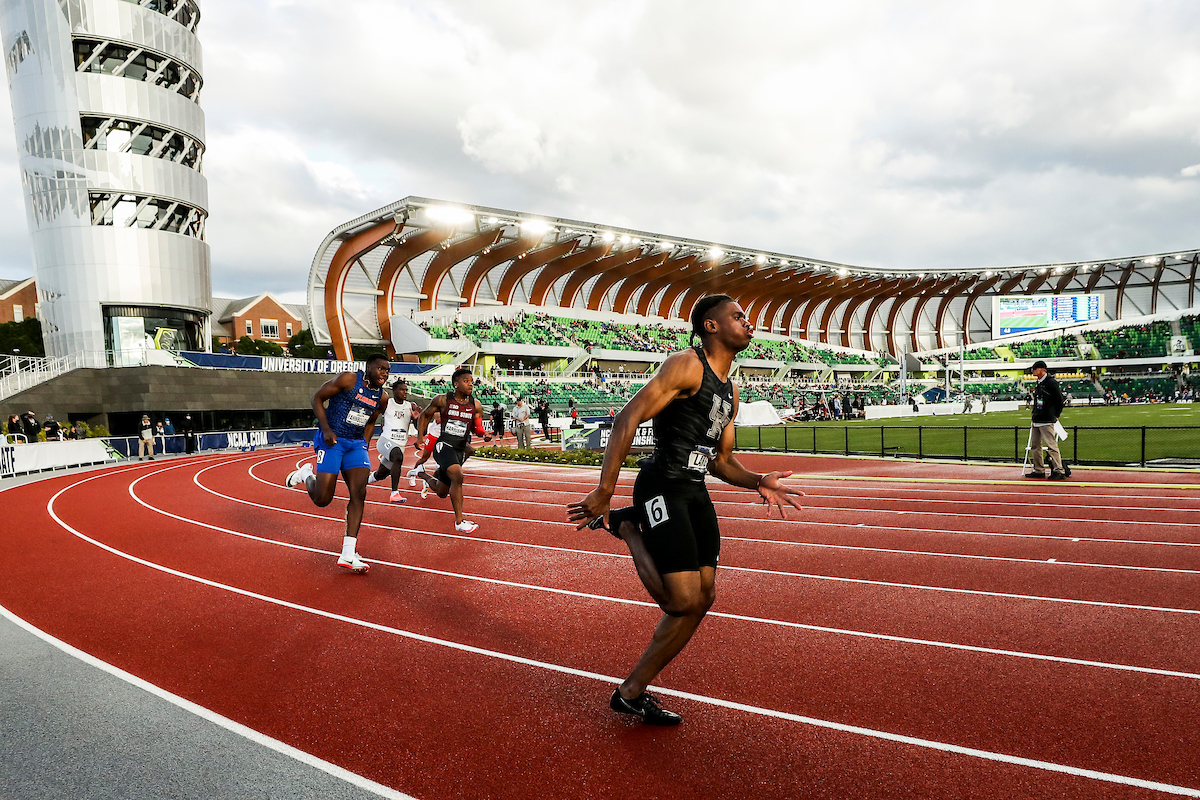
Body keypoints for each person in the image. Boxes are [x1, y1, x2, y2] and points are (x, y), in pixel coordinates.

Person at [567, 295, 804, 725]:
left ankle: (631, 692)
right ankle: (627, 526)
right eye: (737, 316)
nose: (748, 322)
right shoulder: (686, 365)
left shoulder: (730, 389)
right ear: (711, 327)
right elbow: (627, 418)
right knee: (680, 601)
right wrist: (604, 491)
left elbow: (721, 462)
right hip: (662, 483)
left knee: (704, 598)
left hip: (693, 491)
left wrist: (758, 481)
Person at [284, 354, 390, 573]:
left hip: (355, 446)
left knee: (359, 492)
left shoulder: (382, 397)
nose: (384, 373)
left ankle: (348, 552)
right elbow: (317, 398)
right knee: (323, 499)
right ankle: (305, 474)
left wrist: (364, 444)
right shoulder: (349, 380)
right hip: (332, 441)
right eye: (380, 369)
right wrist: (326, 429)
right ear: (368, 367)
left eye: (387, 371)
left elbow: (371, 421)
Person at [411, 366, 492, 533]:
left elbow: (477, 428)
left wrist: (484, 434)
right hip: (443, 445)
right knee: (457, 475)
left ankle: (421, 473)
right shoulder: (442, 400)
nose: (470, 385)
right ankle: (459, 521)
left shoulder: (475, 405)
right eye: (466, 381)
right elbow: (425, 416)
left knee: (441, 491)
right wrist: (420, 437)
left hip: (459, 448)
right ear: (456, 384)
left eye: (471, 382)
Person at [368, 379, 419, 503]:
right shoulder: (387, 403)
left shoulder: (410, 406)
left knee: (381, 474)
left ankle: (362, 482)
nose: (405, 392)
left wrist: (416, 418)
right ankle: (394, 493)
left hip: (400, 444)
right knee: (398, 456)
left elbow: (418, 428)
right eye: (402, 390)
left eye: (406, 390)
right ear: (394, 391)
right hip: (386, 441)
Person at [1025, 360, 1070, 481]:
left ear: (1042, 369)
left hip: (1047, 419)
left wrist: (1056, 414)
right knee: (1035, 446)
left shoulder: (1050, 382)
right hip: (1037, 419)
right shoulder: (1039, 382)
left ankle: (1058, 470)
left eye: (1035, 369)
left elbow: (1059, 400)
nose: (1033, 371)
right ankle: (1039, 469)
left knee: (1051, 445)